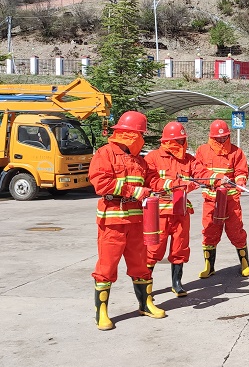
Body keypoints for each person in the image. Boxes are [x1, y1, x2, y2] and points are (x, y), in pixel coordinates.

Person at [88, 110, 166, 331]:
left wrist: (173, 184)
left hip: (137, 222)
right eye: (140, 134)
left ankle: (145, 304)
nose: (142, 139)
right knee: (106, 267)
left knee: (140, 265)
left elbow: (153, 181)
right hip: (113, 222)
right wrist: (134, 191)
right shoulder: (105, 154)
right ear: (131, 134)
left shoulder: (139, 161)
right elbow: (101, 183)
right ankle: (101, 313)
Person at [144, 121, 222, 297]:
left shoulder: (189, 160)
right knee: (153, 249)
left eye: (182, 140)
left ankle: (177, 283)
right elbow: (151, 181)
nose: (181, 144)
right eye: (178, 141)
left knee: (180, 247)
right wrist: (176, 184)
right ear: (167, 141)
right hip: (159, 212)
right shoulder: (153, 158)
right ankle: (145, 285)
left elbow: (202, 174)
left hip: (181, 210)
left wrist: (218, 178)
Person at [195, 119, 249, 278]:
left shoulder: (236, 152)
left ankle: (244, 263)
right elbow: (198, 172)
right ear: (211, 136)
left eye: (224, 137)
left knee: (236, 231)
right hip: (211, 200)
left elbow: (241, 171)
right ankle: (209, 266)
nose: (221, 139)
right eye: (218, 137)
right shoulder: (202, 151)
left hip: (231, 200)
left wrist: (240, 182)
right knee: (209, 231)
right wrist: (216, 178)